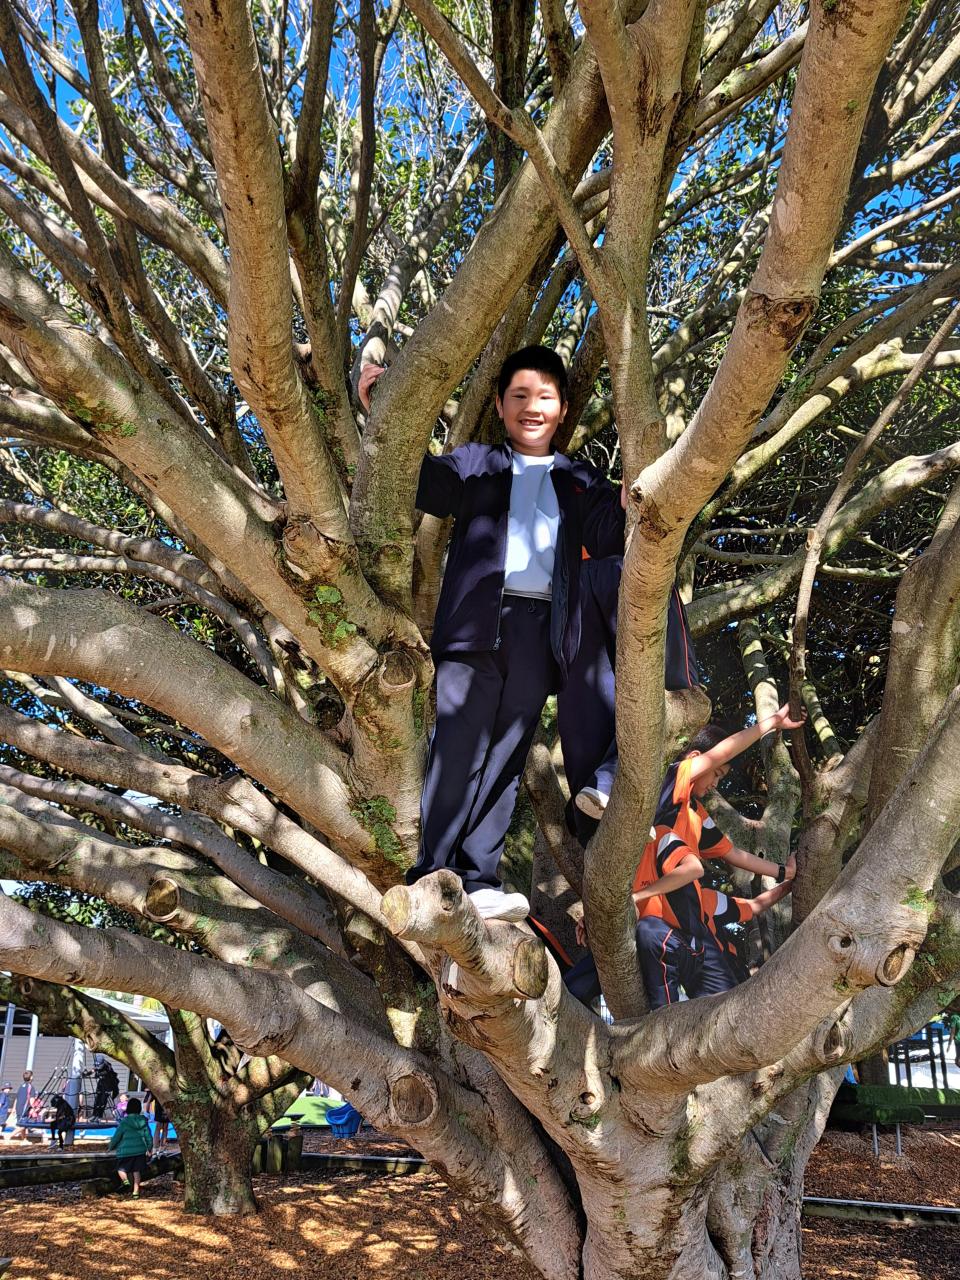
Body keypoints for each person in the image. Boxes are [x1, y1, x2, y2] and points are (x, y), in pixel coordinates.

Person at [360, 346, 625, 921]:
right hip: (474, 628)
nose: (532, 407)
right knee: (458, 749)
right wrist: (383, 407)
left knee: (506, 758)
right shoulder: (477, 462)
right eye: (519, 396)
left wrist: (642, 493)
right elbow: (427, 483)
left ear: (562, 409)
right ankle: (434, 874)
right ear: (501, 406)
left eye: (544, 396)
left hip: (541, 636)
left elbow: (613, 533)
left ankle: (479, 878)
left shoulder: (580, 480)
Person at [564, 708, 805, 1009]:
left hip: (679, 927)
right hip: (644, 923)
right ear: (695, 758)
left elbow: (732, 854)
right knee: (580, 984)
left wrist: (784, 873)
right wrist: (771, 723)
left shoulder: (696, 815)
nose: (715, 783)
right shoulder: (673, 778)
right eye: (716, 773)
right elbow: (722, 751)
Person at [557, 553, 701, 841]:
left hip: (577, 575)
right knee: (677, 694)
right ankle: (603, 790)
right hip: (632, 560)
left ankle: (594, 814)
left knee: (585, 699)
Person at [108, 1097, 153, 1197]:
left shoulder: (124, 1122)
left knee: (121, 1168)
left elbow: (117, 1136)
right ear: (139, 1109)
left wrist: (111, 1146)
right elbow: (148, 1137)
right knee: (136, 1171)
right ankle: (136, 1192)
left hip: (125, 1151)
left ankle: (125, 1181)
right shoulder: (143, 1121)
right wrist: (149, 1148)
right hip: (139, 1151)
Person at [9, 1069, 34, 1140]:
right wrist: (34, 1108)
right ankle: (9, 1135)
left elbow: (17, 1098)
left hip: (18, 1108)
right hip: (24, 1109)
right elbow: (31, 1099)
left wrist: (14, 1108)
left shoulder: (21, 1086)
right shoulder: (31, 1087)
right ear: (31, 1077)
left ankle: (24, 1139)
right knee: (23, 1125)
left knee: (22, 1124)